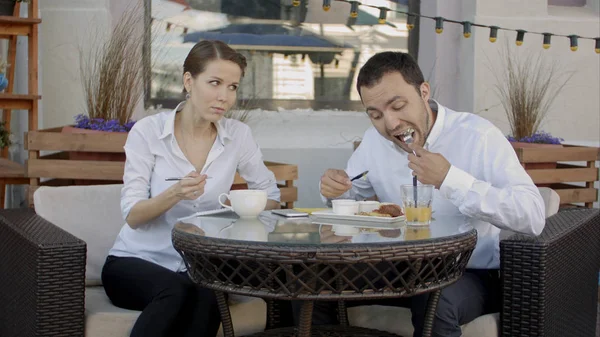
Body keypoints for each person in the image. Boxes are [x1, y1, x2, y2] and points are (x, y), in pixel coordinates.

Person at [316, 51, 546, 337]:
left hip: (467, 272)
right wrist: (334, 190)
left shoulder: (478, 136)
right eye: (375, 115)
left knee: (434, 301)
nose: (390, 124)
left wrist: (450, 179)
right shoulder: (375, 142)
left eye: (398, 105)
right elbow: (350, 198)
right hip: (397, 267)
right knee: (313, 282)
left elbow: (533, 215)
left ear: (424, 92)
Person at [101, 40, 281, 337]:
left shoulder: (238, 136)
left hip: (200, 265)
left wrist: (234, 210)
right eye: (215, 83)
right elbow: (133, 215)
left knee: (208, 294)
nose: (224, 96)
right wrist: (176, 193)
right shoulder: (148, 132)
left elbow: (271, 196)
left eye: (233, 87)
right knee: (176, 291)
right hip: (134, 262)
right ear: (188, 81)